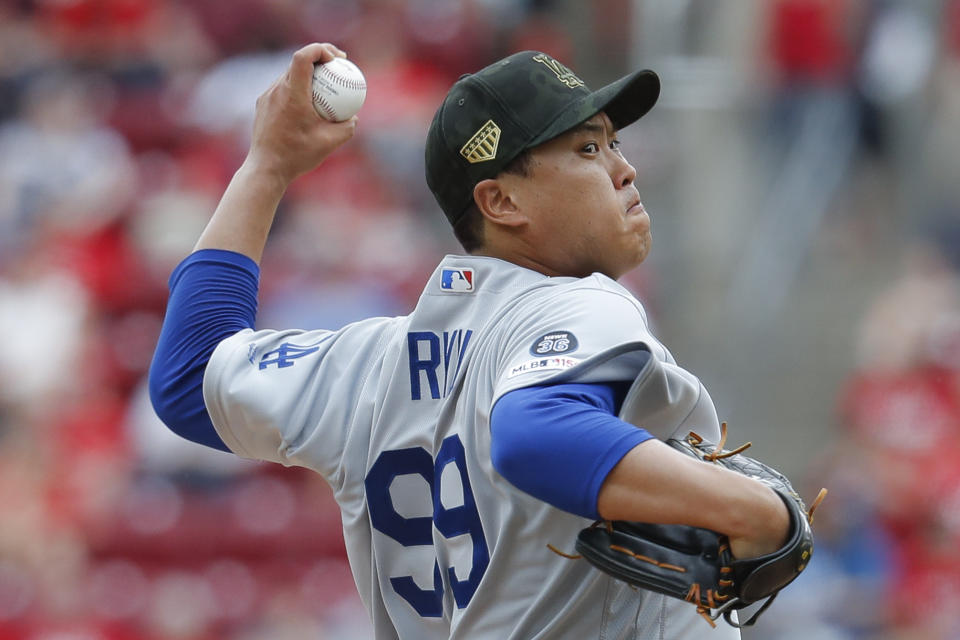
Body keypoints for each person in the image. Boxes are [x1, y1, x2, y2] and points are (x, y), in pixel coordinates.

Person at [149, 43, 790, 639]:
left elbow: (190, 375)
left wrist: (266, 166)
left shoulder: (372, 364)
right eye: (589, 151)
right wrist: (758, 512)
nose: (626, 169)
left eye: (616, 143)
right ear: (502, 202)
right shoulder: (577, 301)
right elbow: (534, 431)